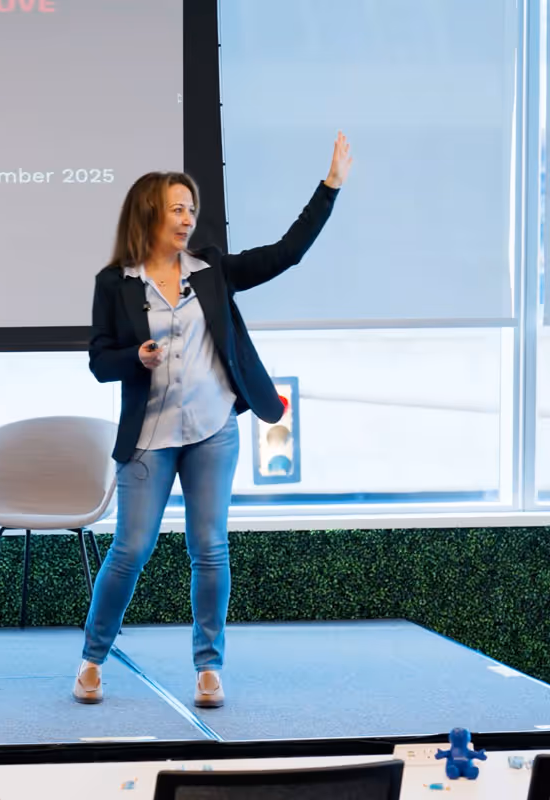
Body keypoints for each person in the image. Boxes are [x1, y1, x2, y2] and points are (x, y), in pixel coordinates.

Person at [73, 132, 353, 707]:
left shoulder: (213, 271)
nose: (187, 217)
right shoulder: (115, 284)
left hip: (212, 430)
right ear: (149, 214)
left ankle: (208, 668)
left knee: (210, 547)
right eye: (177, 208)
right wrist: (136, 358)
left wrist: (329, 189)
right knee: (130, 549)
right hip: (149, 438)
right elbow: (100, 361)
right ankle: (92, 660)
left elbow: (285, 254)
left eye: (191, 208)